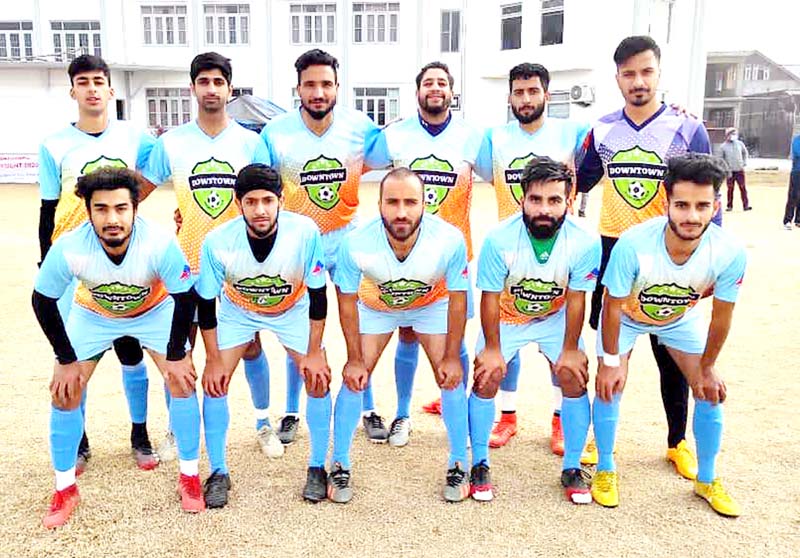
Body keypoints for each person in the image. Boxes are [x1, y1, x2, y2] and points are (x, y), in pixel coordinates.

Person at [576, 35, 714, 481]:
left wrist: (707, 259)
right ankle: (601, 435)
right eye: (629, 73)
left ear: (659, 73)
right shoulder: (601, 131)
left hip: (670, 254)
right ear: (617, 78)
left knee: (671, 352)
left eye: (646, 71)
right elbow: (578, 180)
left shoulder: (687, 128)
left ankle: (677, 442)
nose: (638, 81)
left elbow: (707, 197)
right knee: (612, 349)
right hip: (614, 248)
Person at [32, 168, 200, 528]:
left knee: (183, 382)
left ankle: (189, 476)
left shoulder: (158, 243)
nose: (112, 219)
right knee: (64, 392)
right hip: (94, 314)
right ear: (88, 210)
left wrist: (175, 355)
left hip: (154, 310)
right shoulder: (71, 246)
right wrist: (65, 360)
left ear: (135, 208)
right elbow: (42, 300)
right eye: (102, 209)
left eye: (121, 208)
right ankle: (65, 489)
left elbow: (185, 299)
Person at [143, 52, 282, 460]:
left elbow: (267, 201)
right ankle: (175, 427)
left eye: (218, 82)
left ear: (229, 88)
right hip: (188, 261)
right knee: (180, 347)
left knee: (250, 344)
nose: (211, 89)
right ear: (193, 88)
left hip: (238, 265)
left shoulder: (251, 142)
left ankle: (262, 422)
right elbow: (139, 191)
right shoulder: (171, 142)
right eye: (203, 81)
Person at [591, 153, 745, 517]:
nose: (691, 216)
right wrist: (610, 363)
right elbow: (611, 306)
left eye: (702, 206)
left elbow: (721, 317)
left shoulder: (729, 252)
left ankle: (706, 479)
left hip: (677, 320)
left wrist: (707, 367)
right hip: (627, 317)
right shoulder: (633, 244)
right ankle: (605, 469)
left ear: (716, 205)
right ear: (666, 202)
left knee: (710, 391)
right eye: (682, 205)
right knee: (610, 385)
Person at [38, 54, 158, 473]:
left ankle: (140, 435)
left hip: (120, 256)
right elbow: (47, 206)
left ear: (111, 90)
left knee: (129, 347)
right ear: (72, 91)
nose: (91, 88)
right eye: (83, 81)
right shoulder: (53, 143)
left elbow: (155, 176)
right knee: (73, 354)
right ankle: (81, 440)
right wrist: (44, 261)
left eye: (99, 81)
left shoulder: (135, 137)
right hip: (76, 263)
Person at [261, 49, 386, 445]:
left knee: (359, 322)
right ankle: (293, 410)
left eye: (326, 84)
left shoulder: (360, 128)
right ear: (297, 88)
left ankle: (367, 405)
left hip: (347, 238)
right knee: (297, 324)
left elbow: (385, 163)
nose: (318, 92)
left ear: (337, 86)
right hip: (296, 242)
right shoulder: (275, 133)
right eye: (310, 84)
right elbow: (261, 186)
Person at [328, 168, 470, 503]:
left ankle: (459, 463)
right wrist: (354, 358)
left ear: (425, 204)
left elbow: (458, 299)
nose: (402, 212)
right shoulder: (357, 242)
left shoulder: (449, 239)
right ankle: (339, 463)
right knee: (354, 378)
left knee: (449, 378)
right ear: (378, 204)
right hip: (377, 304)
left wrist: (451, 356)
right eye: (392, 202)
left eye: (410, 202)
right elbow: (346, 302)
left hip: (430, 303)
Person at [195, 164, 331, 507]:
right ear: (237, 203)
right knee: (215, 382)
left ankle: (316, 466)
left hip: (293, 307)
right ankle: (218, 471)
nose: (260, 210)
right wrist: (212, 361)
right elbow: (206, 304)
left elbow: (318, 296)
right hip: (238, 310)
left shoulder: (305, 232)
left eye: (268, 200)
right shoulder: (217, 241)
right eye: (251, 201)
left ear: (281, 201)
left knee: (318, 378)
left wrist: (314, 352)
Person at [474, 62, 592, 454]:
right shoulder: (495, 138)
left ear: (546, 93)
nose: (526, 99)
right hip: (511, 255)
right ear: (509, 97)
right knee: (505, 345)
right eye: (518, 92)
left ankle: (560, 422)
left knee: (558, 350)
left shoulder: (572, 132)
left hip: (555, 252)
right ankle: (507, 416)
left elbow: (608, 143)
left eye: (533, 91)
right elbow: (476, 170)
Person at [366, 61, 484, 446]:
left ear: (452, 91)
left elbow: (507, 176)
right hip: (403, 253)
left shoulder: (472, 137)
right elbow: (354, 164)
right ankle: (402, 414)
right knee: (407, 331)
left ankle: (462, 413)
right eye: (428, 82)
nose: (435, 87)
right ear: (417, 91)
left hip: (452, 256)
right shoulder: (395, 135)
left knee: (455, 338)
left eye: (442, 82)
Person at [473, 156, 600, 503]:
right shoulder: (498, 239)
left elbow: (577, 299)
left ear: (569, 201)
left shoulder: (585, 241)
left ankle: (572, 466)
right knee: (486, 375)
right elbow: (489, 297)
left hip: (554, 317)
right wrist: (492, 349)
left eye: (555, 200)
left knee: (574, 375)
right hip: (507, 315)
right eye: (536, 199)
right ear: (521, 199)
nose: (545, 209)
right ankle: (479, 462)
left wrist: (571, 349)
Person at [719, 128, 751, 212]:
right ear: (727, 135)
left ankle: (746, 205)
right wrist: (725, 169)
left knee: (742, 187)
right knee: (730, 188)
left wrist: (744, 163)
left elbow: (745, 153)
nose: (733, 135)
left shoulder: (740, 144)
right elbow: (721, 159)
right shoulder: (723, 146)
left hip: (739, 170)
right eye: (732, 134)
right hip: (729, 172)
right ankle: (729, 206)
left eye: (735, 134)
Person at [783, 132, 800, 229]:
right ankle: (787, 220)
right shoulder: (797, 140)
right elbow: (797, 152)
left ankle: (798, 220)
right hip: (797, 172)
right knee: (793, 196)